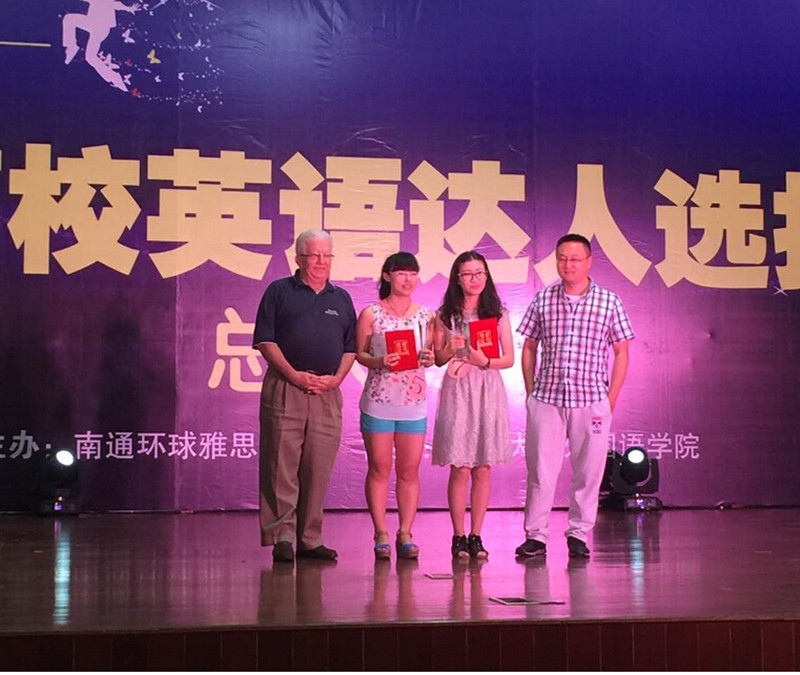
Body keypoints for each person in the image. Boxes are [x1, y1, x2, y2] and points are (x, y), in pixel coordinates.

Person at [516, 234, 634, 559]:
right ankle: (536, 536)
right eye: (562, 258)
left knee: (589, 472)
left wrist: (610, 399)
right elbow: (529, 347)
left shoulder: (609, 302)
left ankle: (579, 534)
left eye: (575, 259)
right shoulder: (543, 299)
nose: (568, 265)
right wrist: (530, 392)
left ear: (589, 262)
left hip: (591, 399)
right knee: (540, 471)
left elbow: (622, 352)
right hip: (547, 399)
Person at [252, 230, 356, 563]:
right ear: (298, 258)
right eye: (314, 255)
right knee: (280, 464)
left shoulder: (341, 299)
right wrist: (293, 375)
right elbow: (265, 340)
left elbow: (351, 347)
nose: (321, 262)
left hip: (327, 391)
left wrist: (336, 379)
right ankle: (282, 536)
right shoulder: (279, 291)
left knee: (318, 466)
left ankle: (310, 539)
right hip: (287, 386)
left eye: (327, 255)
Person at [431, 251, 514, 560]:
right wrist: (448, 349)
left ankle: (477, 535)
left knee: (483, 465)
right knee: (460, 465)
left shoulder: (498, 313)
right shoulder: (445, 315)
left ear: (487, 276)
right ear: (458, 278)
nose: (474, 279)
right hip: (458, 388)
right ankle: (458, 535)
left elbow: (509, 359)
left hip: (487, 387)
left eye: (480, 273)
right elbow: (437, 359)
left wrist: (485, 360)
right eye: (467, 274)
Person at [356, 252, 435, 560]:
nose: (408, 279)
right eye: (401, 273)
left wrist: (430, 357)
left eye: (413, 274)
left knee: (409, 470)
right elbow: (360, 354)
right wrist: (379, 361)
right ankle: (381, 532)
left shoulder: (426, 316)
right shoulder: (372, 313)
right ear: (387, 276)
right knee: (379, 468)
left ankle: (405, 532)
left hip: (413, 402)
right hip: (379, 401)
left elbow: (432, 354)